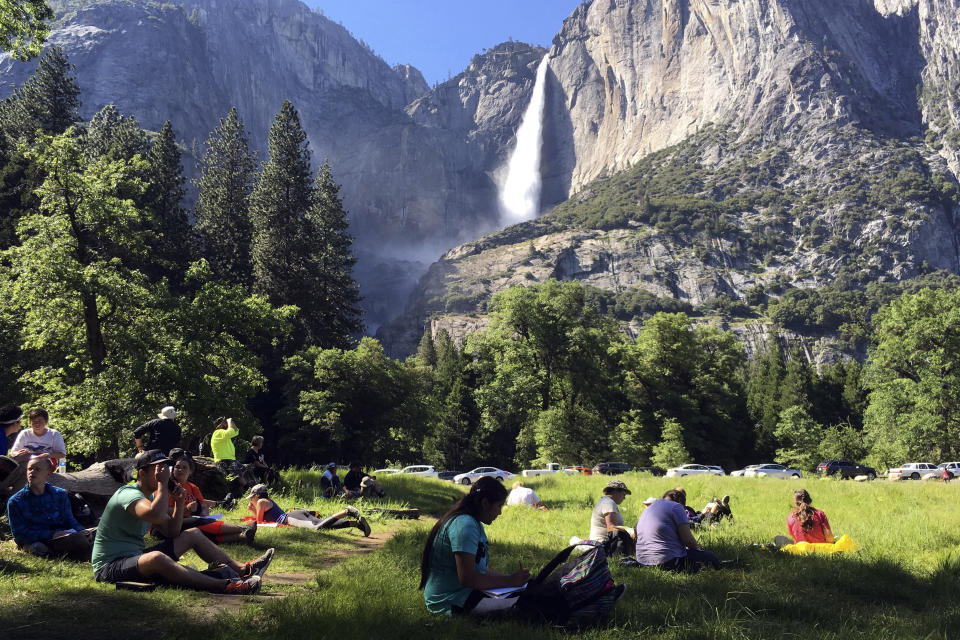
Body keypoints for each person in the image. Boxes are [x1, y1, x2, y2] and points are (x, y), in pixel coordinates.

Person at [91, 449, 273, 594]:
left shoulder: (154, 496)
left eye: (164, 469)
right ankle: (224, 585)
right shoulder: (128, 494)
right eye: (157, 469)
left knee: (192, 534)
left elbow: (171, 532)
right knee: (156, 558)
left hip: (134, 557)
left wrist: (179, 504)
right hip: (110, 566)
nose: (163, 473)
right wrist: (163, 485)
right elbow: (154, 515)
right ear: (142, 473)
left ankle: (244, 571)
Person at [419, 476, 530, 616]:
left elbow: (480, 570)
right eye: (498, 506)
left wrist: (511, 579)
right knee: (527, 603)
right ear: (485, 503)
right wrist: (509, 580)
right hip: (450, 601)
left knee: (529, 592)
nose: (500, 512)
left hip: (463, 595)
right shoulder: (465, 525)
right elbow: (468, 578)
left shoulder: (473, 523)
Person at [154, 449, 255, 545]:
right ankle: (242, 528)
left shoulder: (193, 488)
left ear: (190, 471)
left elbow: (204, 508)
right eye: (177, 467)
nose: (180, 470)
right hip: (168, 525)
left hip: (189, 521)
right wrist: (186, 509)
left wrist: (202, 512)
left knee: (201, 526)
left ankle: (241, 537)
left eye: (184, 467)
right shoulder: (167, 485)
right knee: (199, 522)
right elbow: (162, 511)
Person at [7, 454, 94, 559]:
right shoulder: (16, 501)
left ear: (48, 473)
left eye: (37, 469)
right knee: (38, 547)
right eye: (30, 469)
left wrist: (81, 530)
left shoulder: (60, 494)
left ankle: (76, 550)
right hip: (40, 540)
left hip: (64, 537)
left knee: (98, 532)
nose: (32, 472)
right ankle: (81, 551)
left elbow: (69, 520)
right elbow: (19, 534)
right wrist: (51, 535)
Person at [635, 488, 721, 572]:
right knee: (709, 557)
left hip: (642, 561)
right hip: (666, 561)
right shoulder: (676, 507)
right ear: (681, 502)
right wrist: (699, 551)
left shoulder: (650, 508)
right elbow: (688, 540)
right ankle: (719, 566)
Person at [247, 483, 371, 536]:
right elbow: (265, 519)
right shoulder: (267, 501)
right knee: (324, 525)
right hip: (296, 514)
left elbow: (259, 522)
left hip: (290, 518)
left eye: (251, 497)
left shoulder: (260, 501)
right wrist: (253, 510)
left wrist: (253, 509)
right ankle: (356, 524)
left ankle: (347, 511)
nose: (251, 499)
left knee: (316, 528)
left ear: (257, 495)